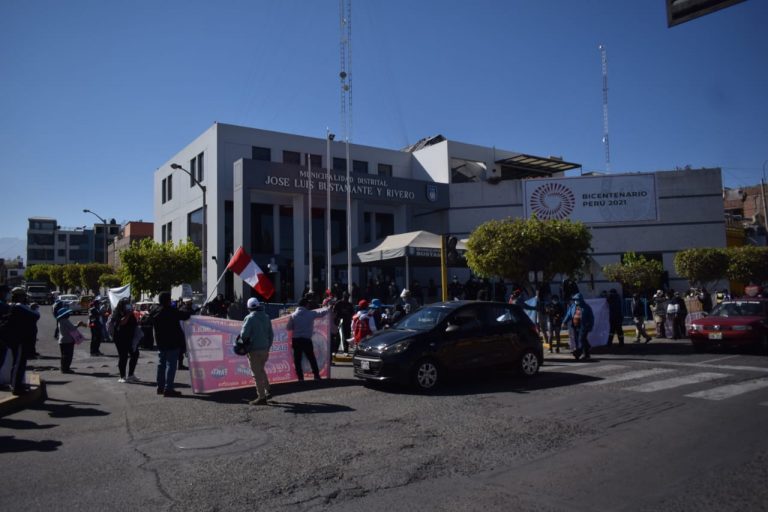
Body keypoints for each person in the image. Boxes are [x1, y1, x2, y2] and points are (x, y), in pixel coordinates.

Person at [144, 291, 192, 397]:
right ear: (168, 300)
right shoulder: (171, 310)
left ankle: (160, 387)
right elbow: (185, 316)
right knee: (171, 365)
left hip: (160, 341)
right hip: (172, 341)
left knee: (161, 364)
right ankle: (168, 388)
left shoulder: (155, 310)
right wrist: (189, 309)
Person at [1, 287, 41, 393]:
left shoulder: (10, 306)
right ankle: (16, 386)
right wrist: (34, 308)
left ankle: (18, 384)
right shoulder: (19, 307)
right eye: (23, 296)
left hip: (14, 338)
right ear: (20, 297)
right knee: (18, 362)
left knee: (18, 362)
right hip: (19, 340)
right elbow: (36, 315)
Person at [240, 297, 274, 405]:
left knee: (256, 374)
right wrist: (268, 347)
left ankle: (261, 397)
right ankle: (267, 389)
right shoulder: (266, 317)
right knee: (261, 370)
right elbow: (271, 335)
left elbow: (244, 335)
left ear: (249, 307)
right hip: (264, 349)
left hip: (253, 349)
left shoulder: (249, 318)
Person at [286, 298, 328, 382]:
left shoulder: (293, 315)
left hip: (296, 340)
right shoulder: (310, 313)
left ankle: (300, 378)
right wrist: (328, 307)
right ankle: (316, 375)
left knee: (297, 360)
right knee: (311, 358)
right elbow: (322, 313)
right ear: (306, 305)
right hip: (306, 340)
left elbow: (288, 327)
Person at [112, 297, 140, 383]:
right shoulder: (117, 312)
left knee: (135, 354)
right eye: (126, 304)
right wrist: (128, 314)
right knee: (123, 356)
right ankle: (122, 376)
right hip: (120, 337)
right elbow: (121, 322)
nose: (128, 305)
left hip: (130, 337)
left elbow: (135, 323)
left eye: (129, 304)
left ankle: (131, 375)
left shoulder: (130, 313)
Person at [562, 293, 594, 361]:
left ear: (581, 300)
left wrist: (590, 326)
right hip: (575, 325)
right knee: (578, 340)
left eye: (577, 300)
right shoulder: (573, 306)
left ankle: (582, 353)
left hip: (584, 326)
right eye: (575, 300)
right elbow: (569, 314)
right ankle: (584, 351)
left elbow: (591, 318)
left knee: (581, 339)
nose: (576, 301)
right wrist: (564, 321)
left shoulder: (586, 307)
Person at [56, 307, 86, 374]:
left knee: (64, 356)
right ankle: (66, 369)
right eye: (67, 313)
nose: (69, 314)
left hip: (63, 340)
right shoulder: (65, 321)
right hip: (67, 340)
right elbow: (72, 329)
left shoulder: (61, 321)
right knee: (68, 356)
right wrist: (78, 325)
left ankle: (64, 368)